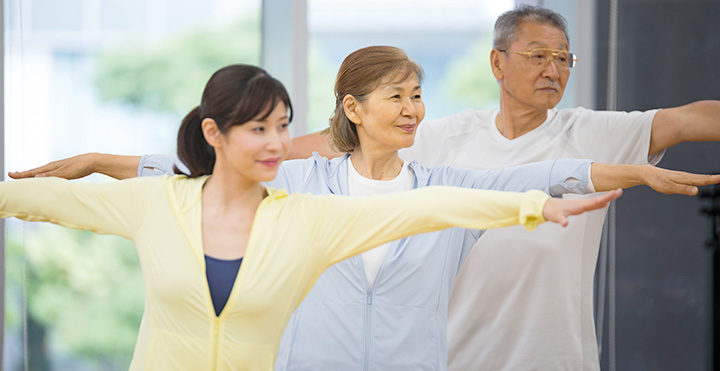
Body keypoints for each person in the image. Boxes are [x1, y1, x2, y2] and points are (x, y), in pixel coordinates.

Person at [10, 47, 720, 370]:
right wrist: (106, 161)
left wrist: (624, 170)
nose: (413, 109)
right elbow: (210, 170)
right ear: (354, 107)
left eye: (418, 95)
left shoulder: (437, 184)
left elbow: (527, 180)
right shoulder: (302, 186)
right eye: (396, 97)